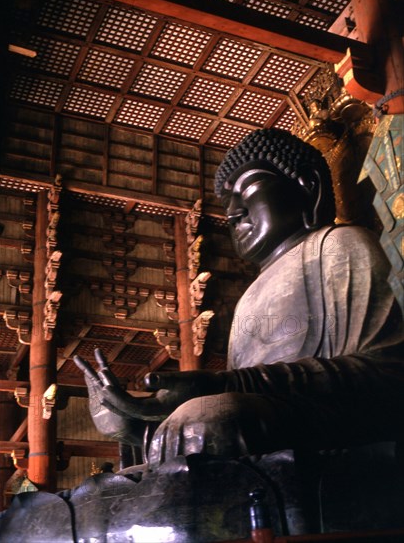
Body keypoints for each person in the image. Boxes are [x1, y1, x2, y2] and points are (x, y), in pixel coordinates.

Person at [74, 128, 404, 471]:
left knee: (206, 421)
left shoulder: (340, 245)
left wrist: (225, 384)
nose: (231, 212)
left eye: (247, 189)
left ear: (307, 186)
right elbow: (240, 402)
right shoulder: (248, 299)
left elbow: (388, 373)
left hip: (341, 430)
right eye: (226, 201)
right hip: (265, 429)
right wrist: (134, 424)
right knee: (135, 469)